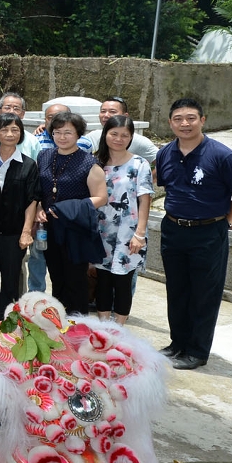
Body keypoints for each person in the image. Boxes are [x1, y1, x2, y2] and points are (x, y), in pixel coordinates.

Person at [155, 97, 232, 370]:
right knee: (177, 290)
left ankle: (197, 351)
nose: (184, 124)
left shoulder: (221, 155)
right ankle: (178, 344)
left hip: (208, 232)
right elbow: (167, 186)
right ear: (170, 122)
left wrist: (226, 220)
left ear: (202, 120)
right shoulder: (166, 153)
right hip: (173, 228)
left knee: (204, 293)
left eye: (191, 118)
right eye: (178, 119)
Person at [35, 111, 108, 316]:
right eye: (57, 132)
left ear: (78, 134)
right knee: (56, 277)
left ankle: (78, 325)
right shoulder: (44, 156)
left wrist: (67, 208)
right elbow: (40, 189)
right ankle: (57, 322)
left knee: (76, 279)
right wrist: (40, 207)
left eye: (68, 132)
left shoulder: (89, 163)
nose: (62, 137)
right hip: (49, 226)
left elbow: (100, 197)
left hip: (76, 227)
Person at [0, 114, 40, 322]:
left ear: (21, 133)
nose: (9, 134)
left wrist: (26, 232)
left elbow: (32, 200)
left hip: (14, 233)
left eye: (15, 130)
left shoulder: (28, 164)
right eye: (4, 129)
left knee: (11, 279)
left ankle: (7, 321)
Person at [95, 114, 153, 327]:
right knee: (102, 279)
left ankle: (118, 328)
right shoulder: (96, 162)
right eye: (114, 134)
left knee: (122, 280)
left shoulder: (139, 164)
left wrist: (140, 233)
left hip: (129, 232)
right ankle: (102, 326)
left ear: (130, 138)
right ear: (105, 134)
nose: (118, 139)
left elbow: (144, 198)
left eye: (124, 135)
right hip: (101, 229)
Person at [86, 97, 159, 163]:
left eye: (112, 111)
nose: (106, 115)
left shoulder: (139, 142)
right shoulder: (92, 137)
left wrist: (152, 177)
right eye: (103, 111)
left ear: (125, 116)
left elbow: (162, 162)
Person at [0, 92, 40, 159]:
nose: (11, 111)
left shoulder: (32, 141)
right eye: (7, 108)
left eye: (16, 109)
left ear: (23, 114)